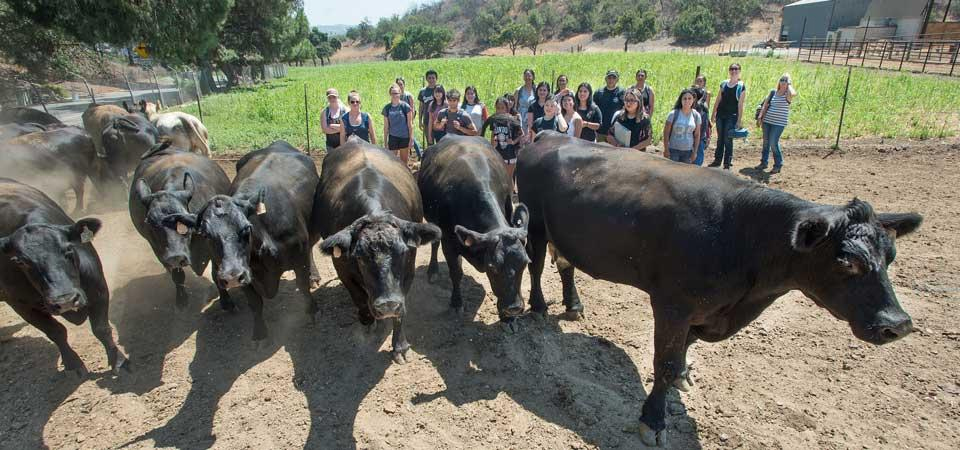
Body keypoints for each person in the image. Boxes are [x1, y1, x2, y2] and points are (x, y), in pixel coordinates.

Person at [756, 73, 797, 174]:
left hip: (779, 124)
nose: (783, 82)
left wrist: (789, 84)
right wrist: (760, 117)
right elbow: (765, 105)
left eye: (785, 80)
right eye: (782, 80)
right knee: (766, 142)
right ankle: (764, 162)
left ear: (789, 83)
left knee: (773, 143)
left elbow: (793, 93)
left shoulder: (788, 95)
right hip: (767, 121)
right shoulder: (773, 92)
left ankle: (778, 164)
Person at [709, 63, 746, 170]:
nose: (734, 71)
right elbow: (717, 100)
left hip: (732, 116)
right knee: (720, 139)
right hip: (721, 115)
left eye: (736, 69)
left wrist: (739, 120)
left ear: (739, 71)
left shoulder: (741, 86)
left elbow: (740, 105)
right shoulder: (724, 84)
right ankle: (717, 161)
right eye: (732, 69)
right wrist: (713, 115)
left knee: (727, 139)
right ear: (729, 71)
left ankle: (727, 163)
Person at [483, 96, 524, 184]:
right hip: (498, 152)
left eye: (502, 108)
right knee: (498, 178)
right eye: (498, 108)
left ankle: (510, 197)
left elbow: (522, 134)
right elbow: (493, 134)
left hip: (510, 153)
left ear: (507, 108)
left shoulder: (512, 120)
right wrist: (492, 145)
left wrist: (513, 142)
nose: (500, 110)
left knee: (508, 179)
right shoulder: (494, 120)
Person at [662, 89, 702, 164]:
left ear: (693, 100)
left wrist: (695, 152)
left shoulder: (696, 116)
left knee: (684, 174)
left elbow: (697, 135)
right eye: (684, 98)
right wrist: (666, 149)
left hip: (688, 152)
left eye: (689, 98)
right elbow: (666, 133)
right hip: (673, 151)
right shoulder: (673, 114)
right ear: (681, 100)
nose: (687, 101)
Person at [382, 83, 415, 165]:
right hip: (393, 137)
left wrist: (411, 139)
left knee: (404, 163)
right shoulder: (387, 108)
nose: (395, 95)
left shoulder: (405, 106)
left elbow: (410, 124)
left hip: (404, 137)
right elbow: (386, 127)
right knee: (392, 162)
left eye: (396, 93)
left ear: (400, 93)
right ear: (390, 94)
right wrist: (385, 142)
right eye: (393, 93)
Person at [593, 69, 625, 143]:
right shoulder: (599, 92)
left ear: (617, 80)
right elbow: (593, 109)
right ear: (606, 79)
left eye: (614, 78)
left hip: (615, 131)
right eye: (609, 77)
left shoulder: (621, 92)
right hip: (600, 131)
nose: (611, 80)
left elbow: (625, 109)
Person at [396, 77, 422, 159]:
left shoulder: (408, 96)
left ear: (404, 85)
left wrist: (411, 120)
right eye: (398, 84)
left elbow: (412, 109)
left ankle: (420, 154)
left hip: (408, 119)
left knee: (412, 137)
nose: (400, 86)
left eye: (401, 84)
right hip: (400, 122)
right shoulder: (396, 96)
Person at [691, 86, 711, 166]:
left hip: (698, 137)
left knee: (696, 164)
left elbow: (704, 125)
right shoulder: (703, 105)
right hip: (700, 137)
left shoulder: (699, 108)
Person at [418, 70, 439, 146]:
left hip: (439, 121)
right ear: (426, 79)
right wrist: (420, 120)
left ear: (436, 79)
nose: (431, 80)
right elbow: (421, 107)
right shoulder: (423, 91)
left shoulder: (440, 89)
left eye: (433, 78)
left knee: (440, 143)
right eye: (429, 78)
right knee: (430, 143)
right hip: (427, 121)